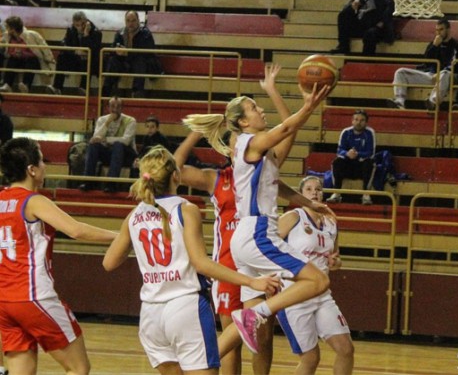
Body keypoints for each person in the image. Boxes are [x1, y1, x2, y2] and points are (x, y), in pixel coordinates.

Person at [184, 75, 332, 355]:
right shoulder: (249, 143)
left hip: (246, 238)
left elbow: (276, 180)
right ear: (243, 121)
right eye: (254, 108)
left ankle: (197, 367)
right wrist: (309, 107)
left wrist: (307, 203)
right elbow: (287, 126)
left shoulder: (256, 150)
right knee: (318, 281)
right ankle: (255, 313)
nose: (261, 110)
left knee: (241, 332)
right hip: (258, 233)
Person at [103, 146, 279, 374]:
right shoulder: (185, 209)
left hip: (150, 315)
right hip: (185, 306)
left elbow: (109, 262)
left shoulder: (134, 215)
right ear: (175, 176)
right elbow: (201, 263)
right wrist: (251, 281)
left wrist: (134, 240)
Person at [0, 137, 117, 375]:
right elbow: (76, 230)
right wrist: (123, 235)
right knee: (78, 368)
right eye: (42, 161)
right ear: (31, 170)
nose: (45, 166)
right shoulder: (33, 201)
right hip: (33, 296)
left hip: (4, 301)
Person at [277, 176, 354, 375]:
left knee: (346, 349)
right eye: (309, 189)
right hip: (294, 295)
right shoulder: (293, 217)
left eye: (318, 189)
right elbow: (266, 247)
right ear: (300, 194)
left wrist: (336, 263)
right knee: (311, 358)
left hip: (321, 294)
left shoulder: (331, 222)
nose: (314, 192)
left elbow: (335, 258)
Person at [387, 18, 458, 110]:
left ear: (448, 30)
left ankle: (433, 102)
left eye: (441, 30)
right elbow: (427, 62)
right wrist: (434, 46)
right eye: (437, 30)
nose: (438, 33)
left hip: (448, 76)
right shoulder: (433, 44)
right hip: (431, 75)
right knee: (400, 72)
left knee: (445, 74)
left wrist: (441, 73)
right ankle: (399, 102)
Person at [78, 96, 137, 193]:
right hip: (108, 153)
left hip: (125, 154)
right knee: (93, 146)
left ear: (122, 108)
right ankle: (88, 181)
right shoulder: (102, 120)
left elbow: (126, 141)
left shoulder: (130, 120)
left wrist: (106, 139)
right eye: (112, 106)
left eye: (118, 107)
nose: (115, 109)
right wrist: (107, 122)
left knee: (118, 145)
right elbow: (95, 138)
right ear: (108, 108)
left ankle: (111, 183)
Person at [330, 0, 395, 56]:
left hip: (377, 26)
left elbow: (390, 7)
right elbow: (345, 11)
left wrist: (383, 21)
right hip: (362, 25)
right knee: (343, 15)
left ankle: (366, 60)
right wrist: (351, 7)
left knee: (370, 34)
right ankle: (343, 46)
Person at [102, 10, 162, 98]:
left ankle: (137, 92)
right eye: (128, 21)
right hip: (125, 64)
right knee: (113, 60)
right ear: (125, 21)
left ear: (138, 21)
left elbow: (147, 53)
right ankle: (105, 92)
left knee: (140, 61)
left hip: (141, 66)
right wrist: (117, 51)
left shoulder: (145, 34)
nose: (131, 23)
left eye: (133, 20)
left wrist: (127, 53)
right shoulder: (120, 33)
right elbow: (112, 50)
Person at [326, 109, 376, 205]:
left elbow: (371, 153)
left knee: (370, 164)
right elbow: (339, 150)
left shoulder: (370, 133)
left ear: (366, 122)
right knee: (337, 162)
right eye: (356, 119)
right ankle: (336, 193)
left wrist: (357, 154)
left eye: (362, 120)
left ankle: (366, 195)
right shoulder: (346, 132)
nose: (358, 122)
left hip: (361, 165)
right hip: (348, 164)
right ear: (352, 121)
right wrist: (347, 153)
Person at [49, 11, 102, 95]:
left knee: (88, 59)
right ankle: (57, 87)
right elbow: (63, 44)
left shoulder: (96, 32)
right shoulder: (71, 29)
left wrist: (86, 35)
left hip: (91, 62)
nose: (80, 27)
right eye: (77, 25)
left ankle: (84, 88)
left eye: (82, 24)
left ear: (86, 22)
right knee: (62, 57)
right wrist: (75, 51)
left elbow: (94, 51)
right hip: (76, 60)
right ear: (73, 24)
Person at [0, 15, 55, 94]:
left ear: (13, 29)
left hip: (32, 60)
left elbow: (45, 49)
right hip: (17, 59)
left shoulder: (32, 35)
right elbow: (3, 45)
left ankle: (26, 85)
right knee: (12, 59)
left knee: (32, 60)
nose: (6, 29)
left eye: (7, 27)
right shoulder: (7, 36)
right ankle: (7, 85)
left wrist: (50, 61)